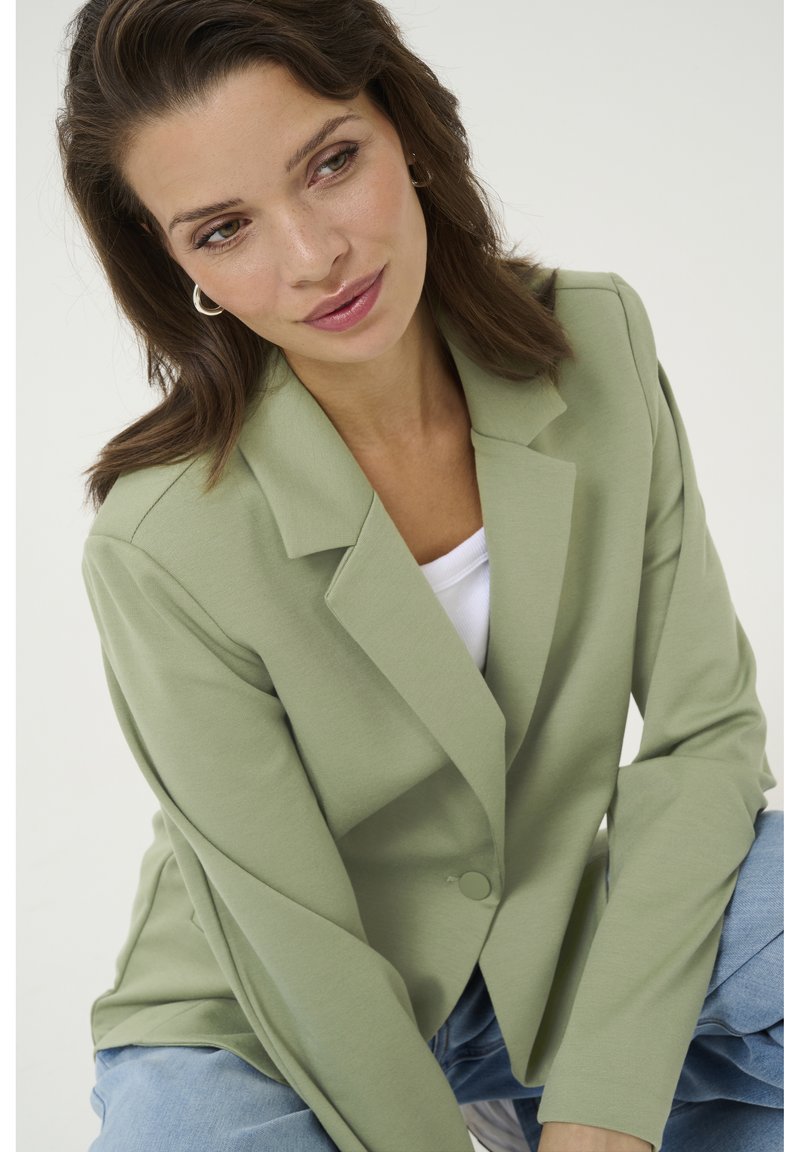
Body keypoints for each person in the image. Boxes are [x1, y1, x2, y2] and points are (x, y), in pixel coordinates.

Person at [57, 1, 783, 1150]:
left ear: (404, 127)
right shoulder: (163, 542)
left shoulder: (595, 343)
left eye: (330, 164)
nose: (315, 258)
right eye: (224, 229)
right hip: (269, 1016)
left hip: (555, 948)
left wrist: (603, 1110)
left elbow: (703, 739)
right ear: (175, 266)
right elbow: (292, 939)